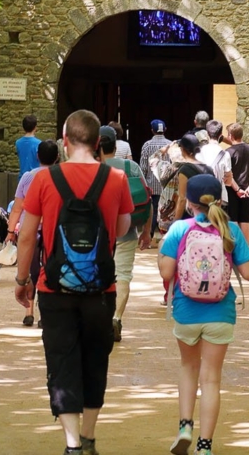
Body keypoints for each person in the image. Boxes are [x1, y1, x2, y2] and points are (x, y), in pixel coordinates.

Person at [14, 110, 134, 455]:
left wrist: (22, 279)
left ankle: (72, 444)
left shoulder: (44, 179)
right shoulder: (116, 179)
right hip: (101, 289)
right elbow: (122, 228)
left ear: (64, 141)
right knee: (95, 360)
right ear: (98, 143)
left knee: (61, 361)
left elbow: (27, 236)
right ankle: (90, 436)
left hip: (54, 288)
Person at [158, 174, 249, 455]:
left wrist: (161, 256)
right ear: (220, 201)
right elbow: (248, 273)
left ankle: (185, 427)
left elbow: (167, 272)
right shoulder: (231, 230)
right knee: (211, 379)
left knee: (188, 368)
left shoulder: (179, 228)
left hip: (186, 311)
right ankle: (205, 446)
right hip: (220, 312)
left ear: (189, 202)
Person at [100, 125, 151, 342]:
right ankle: (116, 318)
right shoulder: (131, 167)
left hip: (97, 234)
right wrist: (146, 231)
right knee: (122, 275)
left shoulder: (92, 169)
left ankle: (99, 320)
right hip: (127, 231)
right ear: (116, 145)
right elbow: (146, 199)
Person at [6, 140, 60, 326]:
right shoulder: (60, 177)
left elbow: (17, 208)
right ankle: (45, 314)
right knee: (49, 270)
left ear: (37, 156)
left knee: (32, 270)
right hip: (52, 230)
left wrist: (11, 231)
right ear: (57, 157)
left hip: (31, 229)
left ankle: (28, 311)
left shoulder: (28, 177)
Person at [223, 123, 249, 234]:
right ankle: (245, 245)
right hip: (246, 190)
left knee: (232, 219)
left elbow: (229, 174)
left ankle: (235, 244)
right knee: (245, 220)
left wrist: (237, 189)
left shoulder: (228, 152)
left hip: (232, 189)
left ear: (230, 136)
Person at [195, 120, 231, 202]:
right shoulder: (225, 154)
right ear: (220, 135)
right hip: (219, 197)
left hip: (202, 195)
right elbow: (229, 182)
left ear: (207, 134)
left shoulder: (198, 152)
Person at [139, 119, 170, 208]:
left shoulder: (147, 145)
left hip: (151, 187)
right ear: (165, 129)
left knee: (153, 212)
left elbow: (143, 168)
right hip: (167, 187)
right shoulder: (170, 144)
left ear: (152, 130)